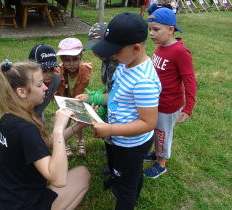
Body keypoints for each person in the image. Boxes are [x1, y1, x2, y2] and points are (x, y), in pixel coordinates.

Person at [0, 60, 91, 209]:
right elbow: (58, 179)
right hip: (22, 205)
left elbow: (43, 143)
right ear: (22, 92)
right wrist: (58, 129)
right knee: (83, 174)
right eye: (39, 85)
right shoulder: (26, 128)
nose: (45, 88)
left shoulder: (8, 116)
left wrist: (76, 127)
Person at [91, 13, 162, 209]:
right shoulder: (125, 65)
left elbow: (148, 123)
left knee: (126, 188)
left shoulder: (144, 81)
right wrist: (92, 98)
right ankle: (131, 186)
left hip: (131, 143)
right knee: (133, 172)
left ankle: (129, 198)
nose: (112, 56)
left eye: (116, 51)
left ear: (136, 48)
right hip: (124, 138)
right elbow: (116, 97)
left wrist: (110, 130)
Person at [145, 8, 197, 178]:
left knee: (162, 133)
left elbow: (190, 81)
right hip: (155, 101)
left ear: (170, 29)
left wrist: (188, 108)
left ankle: (161, 162)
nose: (151, 34)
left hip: (168, 105)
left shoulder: (181, 52)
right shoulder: (160, 46)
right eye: (150, 29)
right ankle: (156, 153)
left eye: (156, 29)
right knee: (155, 130)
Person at [77, 22, 117, 180]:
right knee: (107, 136)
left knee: (111, 136)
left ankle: (114, 169)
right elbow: (107, 87)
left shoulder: (116, 65)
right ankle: (111, 159)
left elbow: (116, 95)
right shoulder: (105, 59)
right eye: (93, 47)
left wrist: (92, 98)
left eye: (98, 47)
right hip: (108, 102)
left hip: (118, 108)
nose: (95, 51)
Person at [55, 37, 92, 158]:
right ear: (62, 59)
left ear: (81, 55)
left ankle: (80, 141)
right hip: (63, 99)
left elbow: (79, 91)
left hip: (78, 98)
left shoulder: (85, 70)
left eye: (75, 59)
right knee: (65, 120)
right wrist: (66, 106)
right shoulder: (58, 71)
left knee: (79, 119)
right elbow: (60, 92)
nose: (71, 64)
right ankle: (64, 142)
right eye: (67, 60)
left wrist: (74, 106)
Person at [28, 44, 61, 124]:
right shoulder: (26, 82)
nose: (49, 74)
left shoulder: (56, 80)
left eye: (51, 69)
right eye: (44, 70)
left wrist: (37, 115)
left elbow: (45, 101)